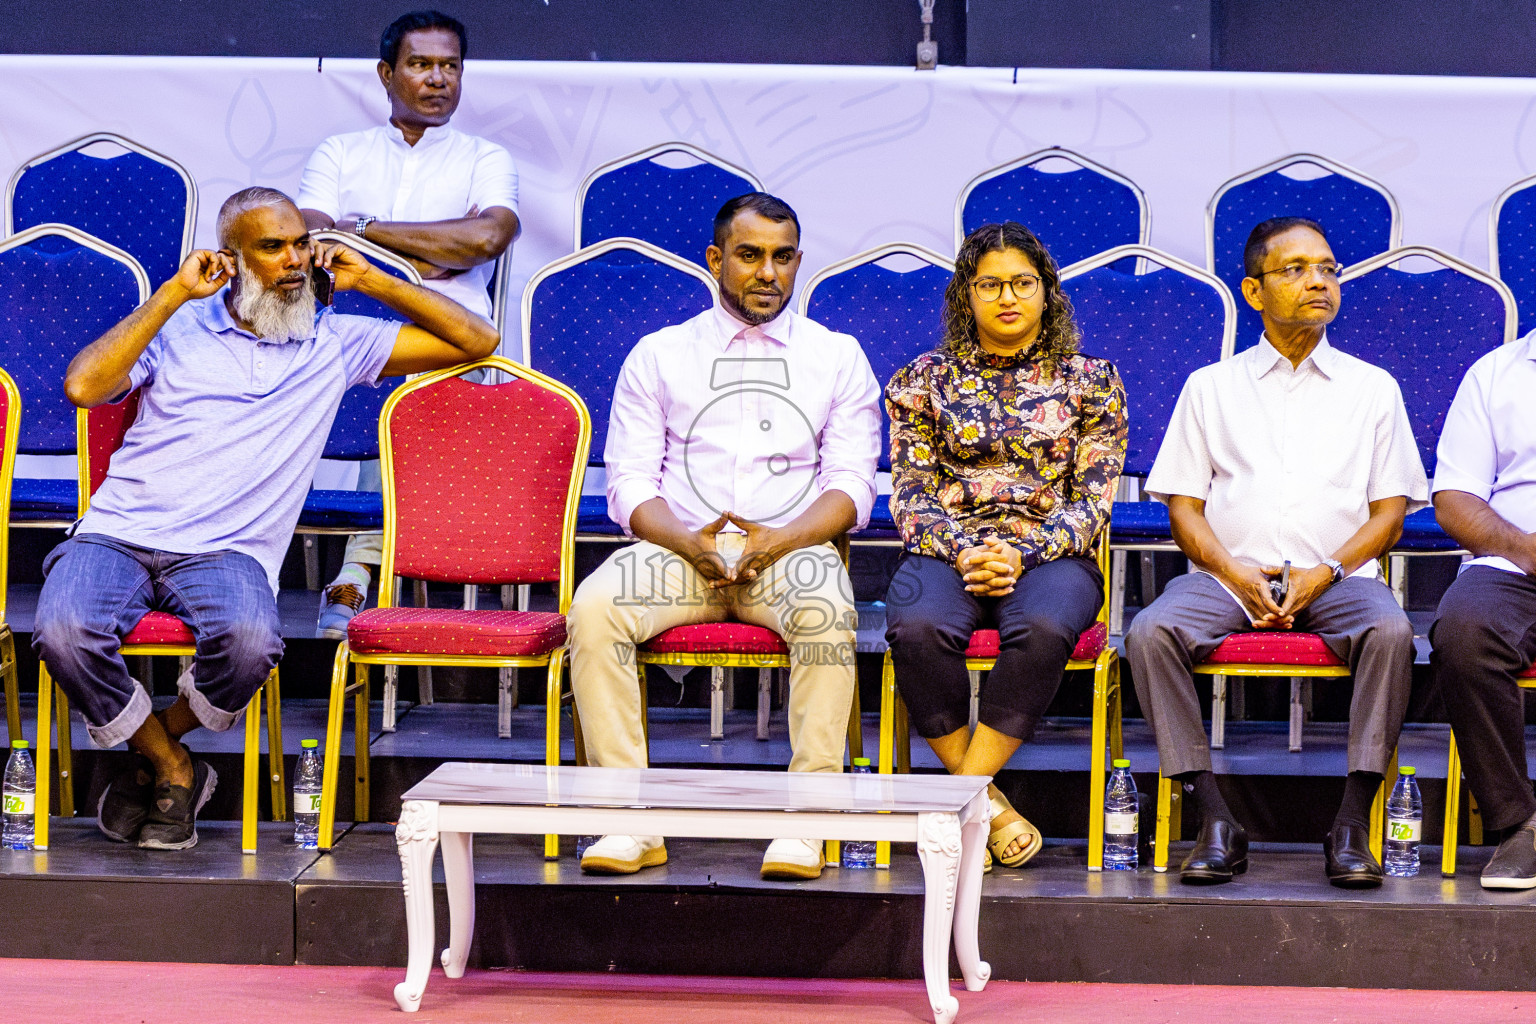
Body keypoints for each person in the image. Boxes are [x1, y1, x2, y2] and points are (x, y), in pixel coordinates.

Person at [31, 187, 498, 850]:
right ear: (233, 260)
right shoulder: (180, 328)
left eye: (300, 244)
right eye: (272, 248)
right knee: (62, 630)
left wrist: (373, 278)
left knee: (252, 646)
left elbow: (479, 340)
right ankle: (171, 765)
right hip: (118, 532)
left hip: (228, 553)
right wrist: (171, 295)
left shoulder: (337, 343)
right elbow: (83, 386)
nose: (294, 260)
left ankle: (157, 740)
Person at [566, 193, 881, 880]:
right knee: (593, 609)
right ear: (716, 260)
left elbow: (854, 486)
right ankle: (626, 824)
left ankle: (808, 827)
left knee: (829, 616)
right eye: (750, 255)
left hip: (791, 552)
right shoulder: (660, 354)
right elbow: (628, 486)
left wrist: (782, 539)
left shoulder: (837, 356)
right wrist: (688, 543)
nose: (768, 272)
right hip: (678, 551)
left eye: (783, 257)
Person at [1125, 216, 1426, 888]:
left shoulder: (1372, 388)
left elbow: (1391, 513)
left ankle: (1351, 823)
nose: (1318, 280)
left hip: (1339, 573)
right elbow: (1183, 507)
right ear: (1254, 291)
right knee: (1151, 632)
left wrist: (1329, 572)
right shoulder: (1211, 386)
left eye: (1327, 268)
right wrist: (1232, 570)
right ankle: (1214, 817)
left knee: (1391, 628)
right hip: (1230, 574)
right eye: (1295, 269)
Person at [882, 222, 1127, 871]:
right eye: (989, 284)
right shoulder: (923, 380)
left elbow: (1092, 500)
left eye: (1023, 283)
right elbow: (910, 493)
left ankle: (960, 799)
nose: (1007, 297)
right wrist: (964, 549)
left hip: (1052, 557)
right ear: (966, 295)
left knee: (1046, 626)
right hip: (945, 551)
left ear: (1047, 294)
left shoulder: (1091, 382)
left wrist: (1021, 552)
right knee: (914, 625)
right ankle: (988, 805)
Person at [297, 9, 519, 638]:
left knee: (407, 395)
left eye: (450, 66)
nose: (438, 79)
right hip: (350, 325)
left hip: (453, 339)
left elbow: (489, 236)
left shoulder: (485, 156)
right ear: (387, 74)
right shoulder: (340, 152)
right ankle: (361, 567)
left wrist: (363, 231)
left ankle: (356, 574)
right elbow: (311, 233)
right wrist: (432, 255)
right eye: (421, 65)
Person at [1428, 327, 1536, 889]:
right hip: (1515, 561)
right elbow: (1454, 499)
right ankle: (1519, 823)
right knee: (1464, 635)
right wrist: (1526, 548)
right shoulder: (1495, 373)